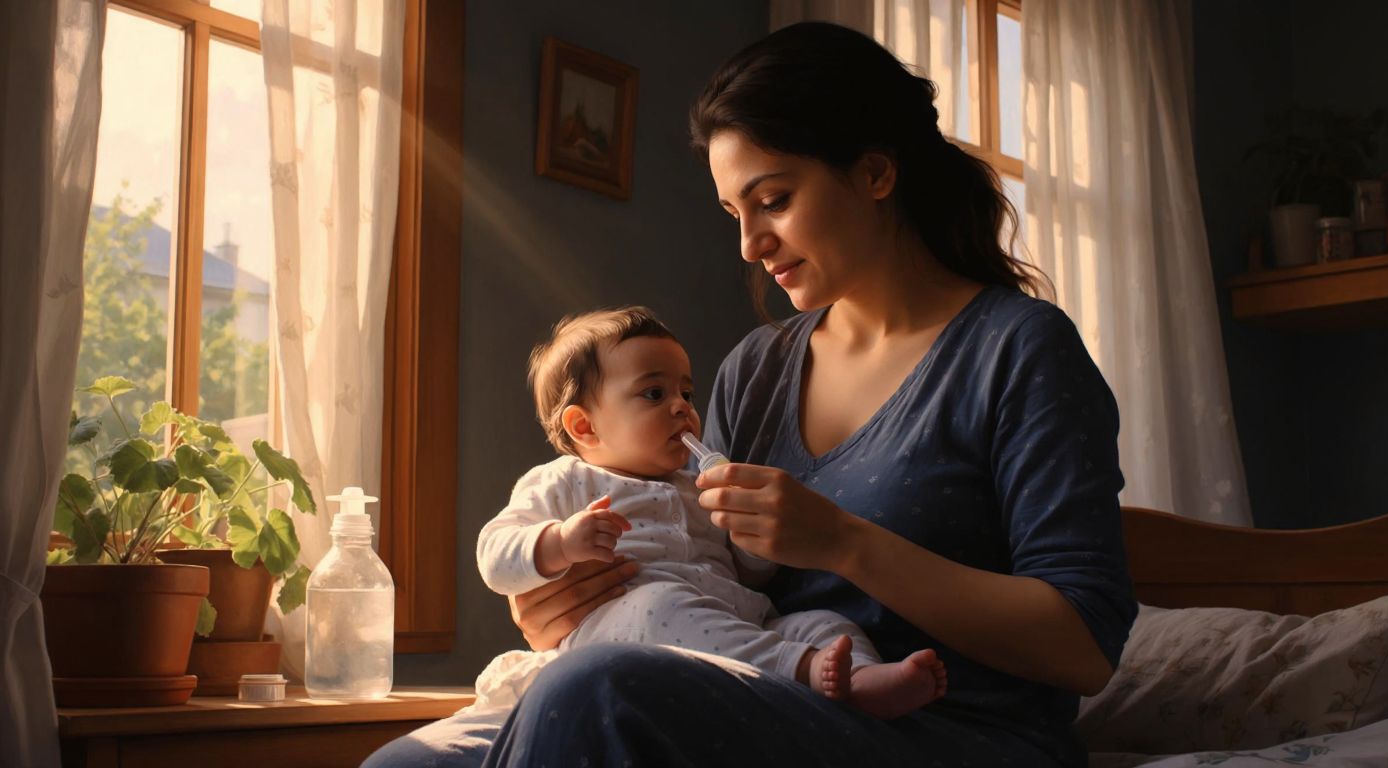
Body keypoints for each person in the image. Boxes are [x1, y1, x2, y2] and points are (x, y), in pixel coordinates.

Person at [364, 20, 1134, 768]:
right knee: (413, 760)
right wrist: (568, 602)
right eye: (736, 213)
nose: (749, 245)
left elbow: (1084, 646)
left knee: (597, 692)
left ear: (874, 172)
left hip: (954, 732)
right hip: (761, 694)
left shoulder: (1017, 350)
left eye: (772, 201)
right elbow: (697, 580)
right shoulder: (756, 371)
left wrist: (843, 541)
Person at [473, 306, 947, 717]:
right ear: (585, 426)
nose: (682, 407)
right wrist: (558, 543)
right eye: (655, 394)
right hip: (627, 628)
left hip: (738, 622)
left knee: (821, 623)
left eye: (687, 393)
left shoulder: (698, 487)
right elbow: (494, 555)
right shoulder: (565, 481)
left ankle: (862, 682)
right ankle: (803, 669)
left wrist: (749, 539)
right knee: (660, 604)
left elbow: (750, 575)